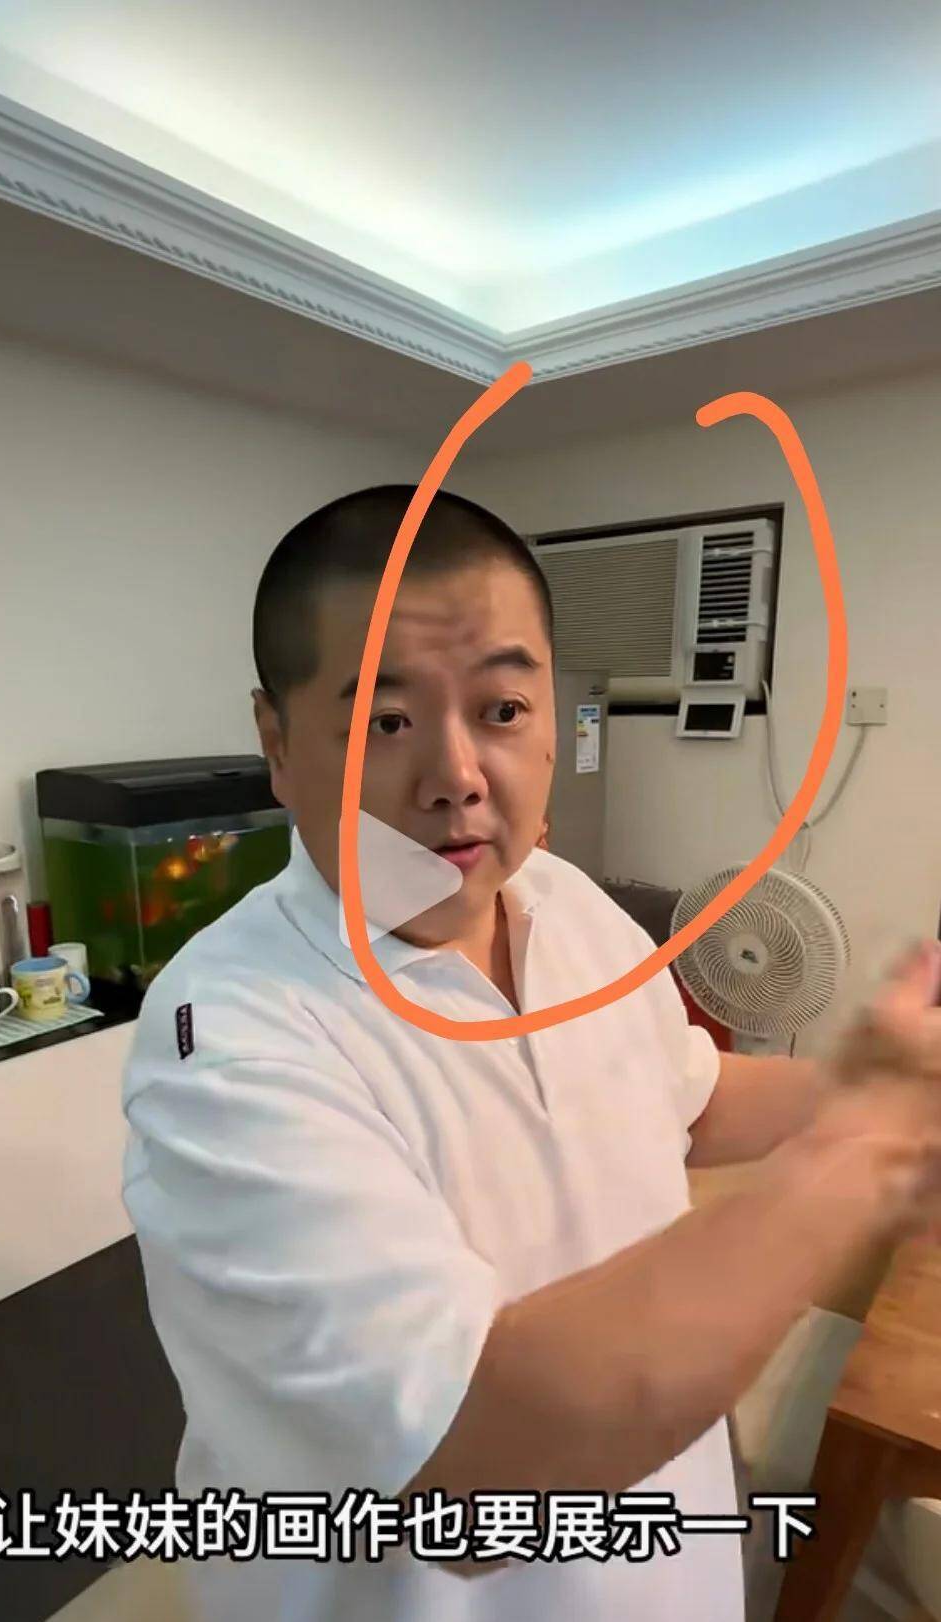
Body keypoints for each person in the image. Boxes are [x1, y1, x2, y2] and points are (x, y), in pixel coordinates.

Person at [122, 485, 941, 1621]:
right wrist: (859, 1158)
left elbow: (691, 1099)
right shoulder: (230, 1037)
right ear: (277, 742)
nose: (458, 775)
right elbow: (469, 1474)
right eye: (386, 722)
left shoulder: (569, 904)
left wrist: (893, 1091)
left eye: (502, 708)